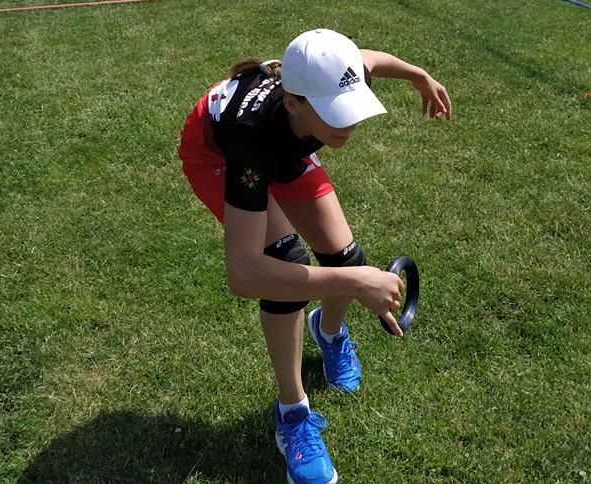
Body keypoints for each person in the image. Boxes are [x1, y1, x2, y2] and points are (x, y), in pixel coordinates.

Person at [177, 28, 451, 484]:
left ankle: (328, 332)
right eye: (335, 112)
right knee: (286, 266)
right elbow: (244, 274)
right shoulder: (251, 141)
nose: (349, 124)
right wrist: (356, 284)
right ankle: (293, 414)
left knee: (345, 258)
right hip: (219, 155)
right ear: (293, 103)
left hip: (286, 143)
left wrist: (418, 75)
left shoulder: (332, 80)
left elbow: (369, 58)